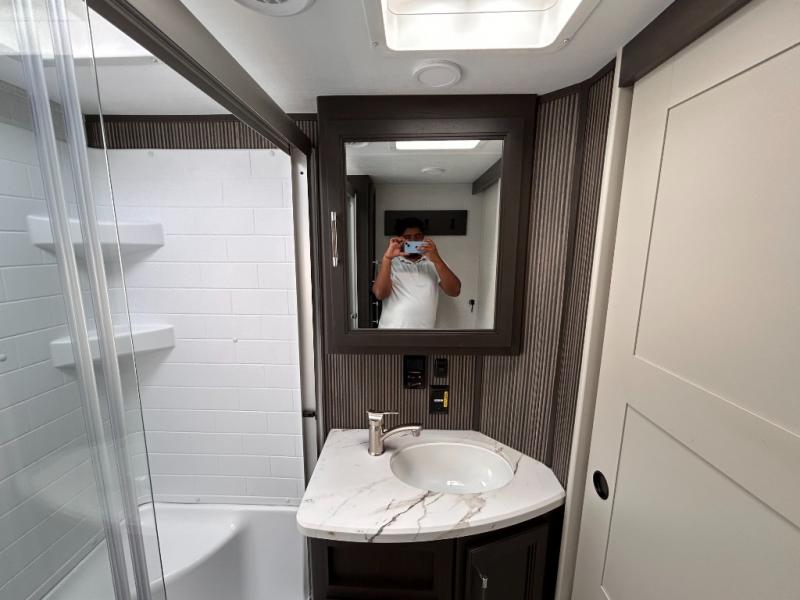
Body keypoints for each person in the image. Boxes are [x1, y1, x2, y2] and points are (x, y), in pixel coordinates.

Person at [372, 217, 461, 329]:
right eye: (407, 237)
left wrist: (437, 259)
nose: (413, 241)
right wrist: (387, 258)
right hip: (391, 333)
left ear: (423, 237)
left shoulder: (435, 262)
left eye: (417, 236)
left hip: (424, 334)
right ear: (400, 239)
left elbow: (455, 291)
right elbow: (380, 294)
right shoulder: (389, 263)